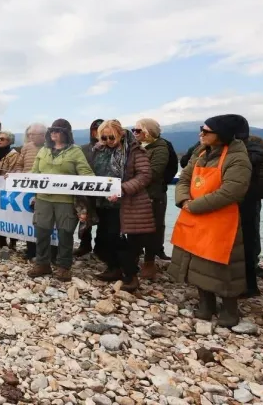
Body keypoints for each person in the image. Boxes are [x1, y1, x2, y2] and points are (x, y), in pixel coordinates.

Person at [169, 115, 251, 327]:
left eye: (206, 131)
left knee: (222, 265)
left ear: (220, 135)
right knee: (196, 262)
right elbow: (184, 178)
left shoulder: (237, 158)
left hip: (220, 221)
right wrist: (183, 199)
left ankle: (230, 309)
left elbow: (231, 191)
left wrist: (195, 205)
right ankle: (206, 304)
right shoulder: (201, 153)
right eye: (201, 129)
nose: (201, 134)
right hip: (194, 217)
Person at [84, 120, 154, 292]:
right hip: (103, 202)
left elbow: (144, 175)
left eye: (111, 137)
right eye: (103, 137)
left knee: (122, 243)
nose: (108, 141)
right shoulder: (97, 151)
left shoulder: (135, 151)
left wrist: (123, 189)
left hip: (126, 204)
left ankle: (130, 276)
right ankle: (113, 267)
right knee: (102, 240)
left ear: (121, 133)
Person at [28, 119, 94, 282]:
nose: (53, 133)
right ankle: (42, 263)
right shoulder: (43, 150)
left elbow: (86, 173)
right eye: (52, 131)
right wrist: (15, 178)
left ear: (66, 133)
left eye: (57, 130)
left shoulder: (75, 151)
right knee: (42, 232)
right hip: (43, 199)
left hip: (66, 200)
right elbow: (34, 172)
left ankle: (64, 267)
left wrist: (103, 186)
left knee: (65, 233)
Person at [228, 115, 263, 297]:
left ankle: (250, 283)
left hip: (248, 199)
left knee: (247, 238)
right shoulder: (244, 145)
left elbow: (248, 163)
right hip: (246, 197)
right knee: (245, 238)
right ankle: (244, 277)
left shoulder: (251, 145)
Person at [133, 118, 171, 279]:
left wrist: (131, 178)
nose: (135, 134)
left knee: (152, 230)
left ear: (148, 132)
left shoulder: (161, 148)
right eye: (133, 130)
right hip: (135, 194)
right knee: (133, 229)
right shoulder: (135, 147)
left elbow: (154, 172)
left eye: (138, 131)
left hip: (152, 196)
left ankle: (149, 262)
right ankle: (133, 260)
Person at [0, 130, 22, 250]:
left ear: (10, 141)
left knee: (11, 215)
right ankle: (1, 241)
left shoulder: (15, 155)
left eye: (3, 139)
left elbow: (14, 170)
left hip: (9, 190)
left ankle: (13, 241)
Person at [75, 119, 104, 256]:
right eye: (95, 130)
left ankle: (100, 247)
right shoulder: (83, 149)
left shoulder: (109, 148)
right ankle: (84, 245)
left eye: (100, 130)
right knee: (85, 219)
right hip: (86, 190)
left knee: (104, 221)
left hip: (104, 191)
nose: (97, 133)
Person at [19, 123, 47, 260]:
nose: (29, 137)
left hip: (44, 191)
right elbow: (19, 164)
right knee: (29, 220)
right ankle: (30, 250)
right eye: (29, 134)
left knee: (44, 222)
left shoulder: (50, 148)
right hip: (27, 189)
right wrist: (16, 176)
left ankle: (46, 252)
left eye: (32, 135)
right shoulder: (26, 147)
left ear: (42, 135)